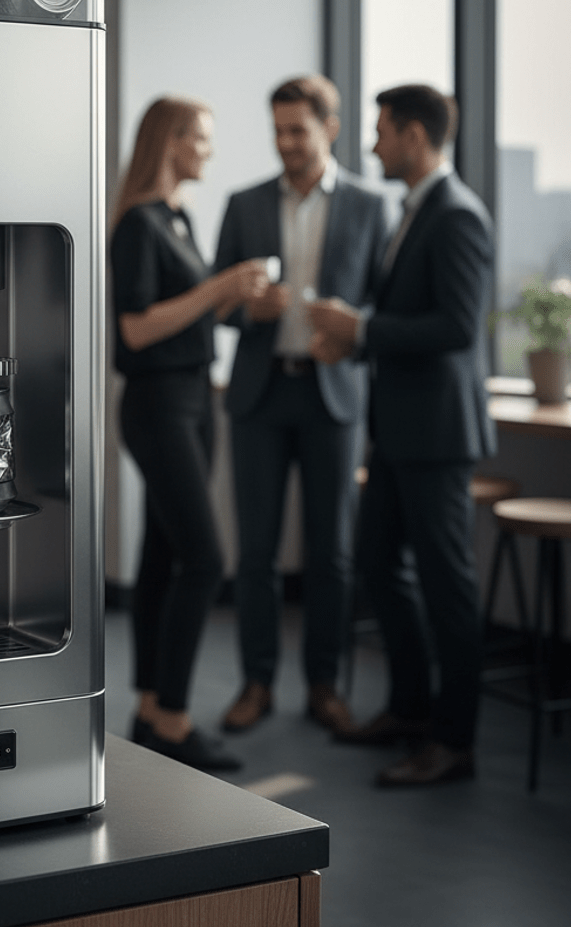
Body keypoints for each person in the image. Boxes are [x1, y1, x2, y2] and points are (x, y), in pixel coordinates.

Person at [309, 84, 494, 786]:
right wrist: (352, 341)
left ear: (414, 134)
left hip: (439, 435)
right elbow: (408, 320)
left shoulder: (456, 215)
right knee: (379, 566)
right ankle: (411, 711)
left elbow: (458, 327)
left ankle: (454, 741)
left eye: (381, 131)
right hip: (397, 431)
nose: (374, 144)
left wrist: (361, 329)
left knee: (448, 586)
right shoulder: (413, 211)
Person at [213, 75, 390, 736]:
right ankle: (256, 683)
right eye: (278, 131)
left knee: (332, 552)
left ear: (330, 129)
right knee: (254, 552)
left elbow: (384, 308)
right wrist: (245, 308)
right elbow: (220, 300)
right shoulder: (245, 202)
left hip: (333, 396)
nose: (286, 144)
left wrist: (352, 334)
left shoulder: (372, 207)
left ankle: (325, 685)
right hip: (260, 392)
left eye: (298, 131)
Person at [111, 96, 270, 772]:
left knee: (160, 556)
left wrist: (233, 297)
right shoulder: (139, 225)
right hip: (158, 405)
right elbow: (137, 329)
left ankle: (149, 709)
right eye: (200, 137)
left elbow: (186, 317)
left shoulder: (178, 218)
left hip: (193, 398)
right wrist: (218, 288)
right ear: (169, 142)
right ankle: (175, 718)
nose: (209, 148)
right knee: (205, 559)